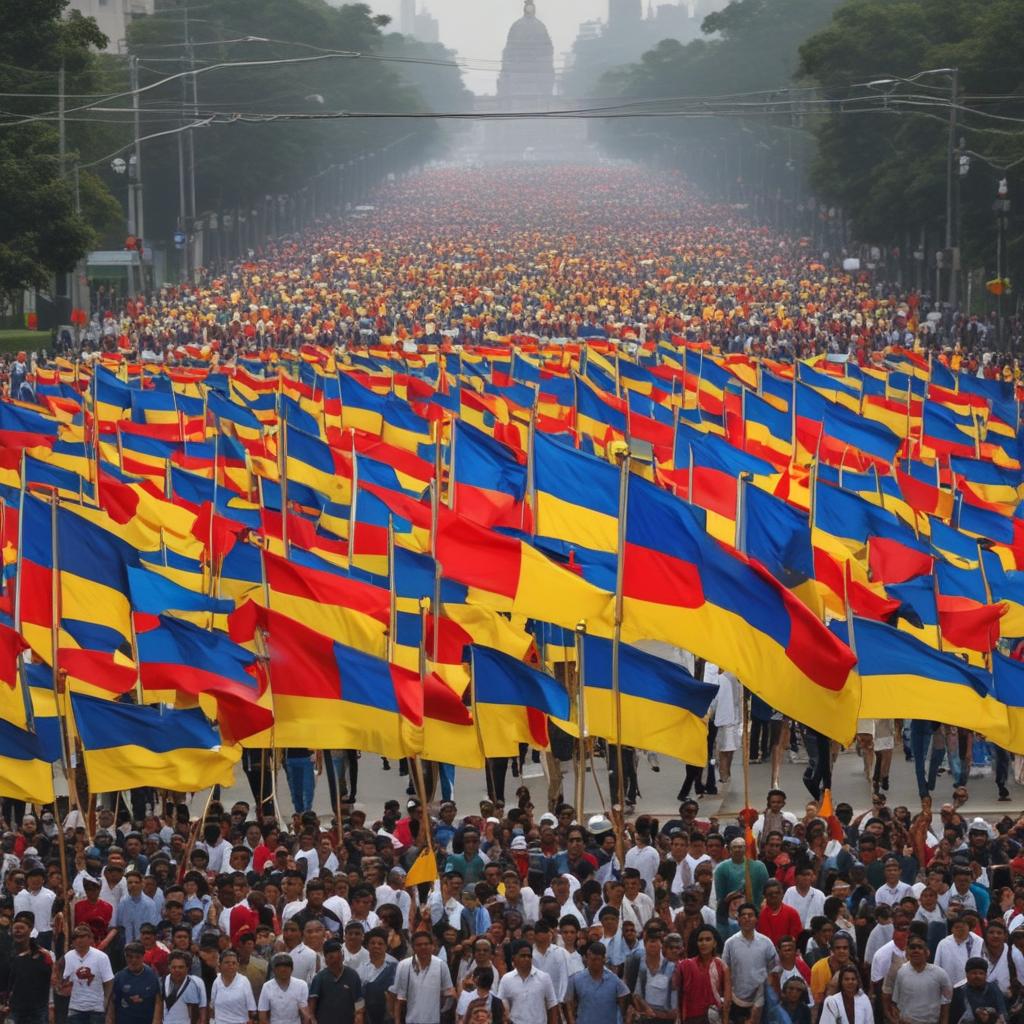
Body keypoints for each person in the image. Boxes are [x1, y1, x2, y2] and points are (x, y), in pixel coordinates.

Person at [722, 904, 778, 1022]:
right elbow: (725, 970)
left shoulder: (766, 942)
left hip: (760, 998)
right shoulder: (730, 943)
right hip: (736, 998)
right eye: (743, 915)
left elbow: (774, 968)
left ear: (756, 919)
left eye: (750, 915)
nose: (747, 918)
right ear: (738, 920)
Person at [389, 931, 454, 1024]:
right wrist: (397, 1021)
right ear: (413, 947)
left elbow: (448, 993)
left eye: (426, 944)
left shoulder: (441, 965)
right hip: (410, 1021)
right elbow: (398, 998)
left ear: (432, 946)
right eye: (419, 945)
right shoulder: (404, 965)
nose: (423, 947)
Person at [1, 913, 53, 1024]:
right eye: (16, 928)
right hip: (13, 1011)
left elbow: (51, 981)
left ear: (30, 930)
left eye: (22, 928)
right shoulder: (7, 955)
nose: (18, 931)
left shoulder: (43, 955)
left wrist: (51, 1005)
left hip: (38, 1011)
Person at [887, 938, 952, 1024]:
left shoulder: (940, 974)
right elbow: (896, 1002)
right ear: (907, 953)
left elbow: (946, 1002)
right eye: (913, 948)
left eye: (920, 948)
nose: (916, 950)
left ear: (927, 953)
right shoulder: (901, 972)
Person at [676, 925, 729, 1024]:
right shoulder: (685, 965)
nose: (704, 943)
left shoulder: (721, 965)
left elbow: (727, 1000)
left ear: (714, 943)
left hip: (713, 1018)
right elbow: (678, 993)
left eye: (708, 939)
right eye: (700, 940)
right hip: (690, 1018)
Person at [62, 924, 115, 1024]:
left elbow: (109, 981)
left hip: (96, 1010)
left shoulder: (101, 957)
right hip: (75, 1008)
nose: (79, 940)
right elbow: (65, 981)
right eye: (75, 937)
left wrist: (105, 1001)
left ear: (90, 938)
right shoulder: (68, 957)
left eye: (82, 936)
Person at [564, 943, 628, 1024]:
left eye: (598, 959)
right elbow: (568, 1003)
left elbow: (624, 999)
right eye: (592, 959)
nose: (595, 963)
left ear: (604, 959)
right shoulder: (576, 979)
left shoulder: (614, 980)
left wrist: (620, 1019)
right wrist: (571, 1021)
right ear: (586, 959)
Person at [496, 942, 558, 1024]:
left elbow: (552, 1005)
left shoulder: (544, 978)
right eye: (523, 956)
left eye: (529, 956)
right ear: (514, 958)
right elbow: (501, 1005)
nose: (526, 959)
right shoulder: (506, 979)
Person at [308, 938, 363, 1024]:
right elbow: (312, 1003)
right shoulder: (319, 977)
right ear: (326, 960)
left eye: (338, 958)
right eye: (331, 958)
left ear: (343, 957)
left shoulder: (353, 975)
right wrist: (312, 1018)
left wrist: (359, 1015)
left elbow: (359, 999)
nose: (335, 961)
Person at [110, 942, 161, 1024]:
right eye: (130, 957)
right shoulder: (118, 977)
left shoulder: (152, 976)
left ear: (143, 957)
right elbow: (111, 1004)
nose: (134, 960)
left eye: (137, 957)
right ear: (125, 957)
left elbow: (158, 1002)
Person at [948, 956, 1008, 1024]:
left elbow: (1003, 1014)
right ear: (967, 974)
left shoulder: (994, 989)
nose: (977, 976)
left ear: (986, 975)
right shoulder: (958, 992)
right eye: (974, 973)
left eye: (981, 973)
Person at [357, 929, 397, 1024]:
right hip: (368, 1017)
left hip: (389, 1017)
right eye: (373, 943)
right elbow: (357, 996)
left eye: (380, 943)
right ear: (367, 946)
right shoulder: (361, 969)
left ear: (386, 947)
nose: (376, 946)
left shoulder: (395, 966)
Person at [257, 954, 309, 1024]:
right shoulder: (267, 987)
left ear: (292, 969)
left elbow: (304, 1012)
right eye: (279, 968)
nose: (283, 970)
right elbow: (262, 1014)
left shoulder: (302, 985)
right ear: (274, 970)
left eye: (286, 967)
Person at [209, 951, 256, 1024]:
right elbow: (212, 1008)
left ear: (238, 965)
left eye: (234, 963)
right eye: (227, 962)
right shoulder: (216, 981)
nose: (231, 965)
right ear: (220, 965)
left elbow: (252, 1010)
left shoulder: (244, 981)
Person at [162, 952, 207, 1024]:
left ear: (187, 968)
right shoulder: (162, 982)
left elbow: (202, 1008)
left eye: (181, 967)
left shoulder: (197, 982)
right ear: (169, 967)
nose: (177, 970)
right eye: (174, 967)